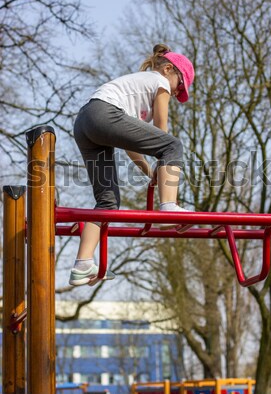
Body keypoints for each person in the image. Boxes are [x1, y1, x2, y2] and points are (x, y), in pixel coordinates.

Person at [69, 43, 195, 286]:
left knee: (107, 201)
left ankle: (82, 264)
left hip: (86, 122)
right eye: (179, 86)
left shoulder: (135, 95)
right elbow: (162, 130)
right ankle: (169, 206)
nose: (177, 93)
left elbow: (130, 145)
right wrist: (163, 161)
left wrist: (151, 173)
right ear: (169, 69)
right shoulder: (158, 81)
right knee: (173, 146)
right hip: (103, 114)